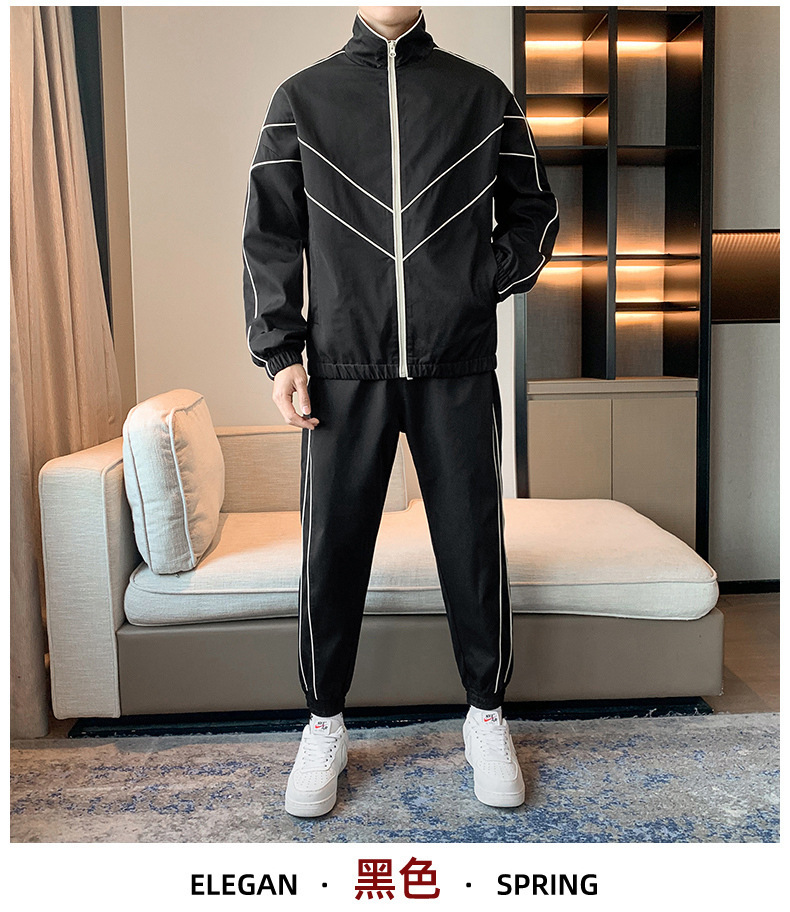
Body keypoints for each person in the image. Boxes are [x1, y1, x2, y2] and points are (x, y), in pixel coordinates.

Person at [242, 6, 559, 817]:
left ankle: (485, 715)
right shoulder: (302, 99)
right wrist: (281, 351)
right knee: (332, 548)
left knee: (472, 543)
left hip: (457, 364)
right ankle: (324, 723)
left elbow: (535, 214)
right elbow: (270, 235)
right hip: (342, 367)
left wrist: (475, 281)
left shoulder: (481, 95)